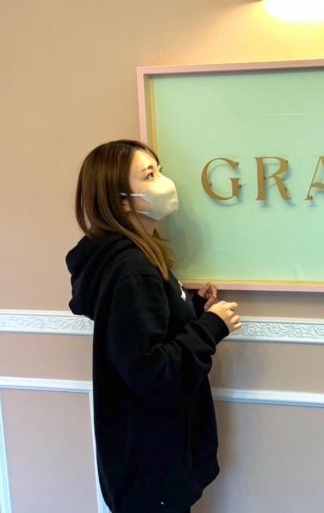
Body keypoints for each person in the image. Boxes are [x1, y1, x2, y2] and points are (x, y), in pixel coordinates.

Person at [66, 139, 241, 513]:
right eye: (149, 175)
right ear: (122, 201)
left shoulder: (138, 256)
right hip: (151, 462)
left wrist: (193, 307)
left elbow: (140, 330)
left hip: (149, 455)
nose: (164, 182)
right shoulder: (132, 269)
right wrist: (211, 327)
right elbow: (154, 372)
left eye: (159, 170)